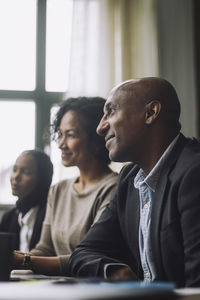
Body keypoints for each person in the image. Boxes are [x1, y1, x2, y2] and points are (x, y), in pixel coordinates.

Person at [69, 77, 200, 287]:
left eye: (111, 111)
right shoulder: (129, 178)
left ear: (150, 113)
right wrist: (112, 271)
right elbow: (84, 252)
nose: (100, 127)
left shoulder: (193, 172)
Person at [13, 97, 118, 275]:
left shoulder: (113, 188)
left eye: (70, 135)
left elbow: (91, 257)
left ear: (95, 139)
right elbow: (44, 249)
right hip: (58, 287)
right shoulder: (58, 190)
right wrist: (15, 258)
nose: (61, 144)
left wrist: (23, 260)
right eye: (60, 134)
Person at [0, 150, 53, 252]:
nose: (16, 177)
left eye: (26, 172)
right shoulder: (9, 217)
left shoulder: (50, 214)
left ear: (42, 179)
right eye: (14, 170)